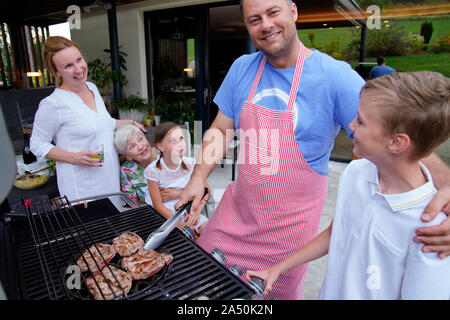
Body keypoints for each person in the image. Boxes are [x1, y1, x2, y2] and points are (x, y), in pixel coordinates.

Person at [175, 0, 450, 300]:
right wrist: (196, 178)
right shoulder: (242, 68)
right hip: (234, 217)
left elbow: (401, 133)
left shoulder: (335, 76)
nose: (265, 25)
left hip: (287, 236)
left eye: (273, 13)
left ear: (293, 11)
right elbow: (220, 129)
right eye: (254, 19)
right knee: (201, 284)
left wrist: (446, 184)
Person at [247, 71, 450, 299]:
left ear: (396, 142)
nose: (350, 125)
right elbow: (337, 232)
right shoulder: (356, 172)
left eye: (361, 121)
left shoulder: (433, 231)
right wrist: (279, 268)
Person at [30, 36, 146, 202]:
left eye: (79, 60)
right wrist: (73, 157)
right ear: (57, 72)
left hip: (109, 178)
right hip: (82, 187)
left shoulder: (91, 87)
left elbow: (102, 123)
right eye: (68, 66)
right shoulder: (53, 104)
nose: (78, 69)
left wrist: (128, 123)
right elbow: (37, 144)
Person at [144, 122, 209, 234]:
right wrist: (184, 226)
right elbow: (158, 206)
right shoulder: (153, 171)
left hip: (189, 211)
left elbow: (206, 190)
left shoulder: (191, 164)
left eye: (181, 138)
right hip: (167, 217)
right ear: (160, 146)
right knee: (192, 238)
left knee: (207, 230)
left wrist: (197, 212)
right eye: (172, 140)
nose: (179, 144)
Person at [114, 124, 158, 204]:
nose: (140, 147)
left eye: (140, 139)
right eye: (132, 146)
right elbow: (133, 204)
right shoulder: (127, 171)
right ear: (127, 156)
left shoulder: (165, 154)